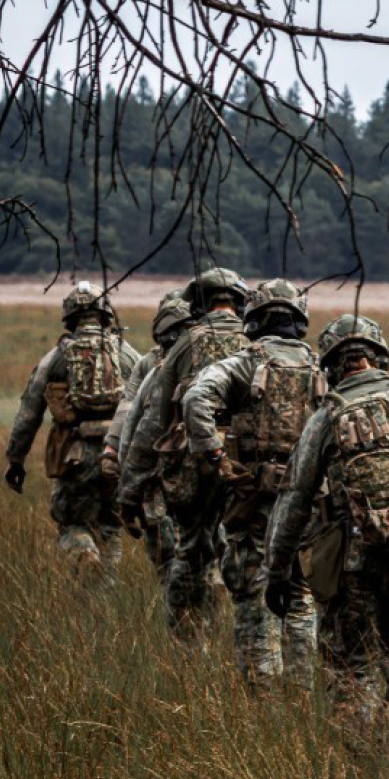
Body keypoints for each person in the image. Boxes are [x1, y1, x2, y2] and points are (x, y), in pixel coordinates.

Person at [265, 314, 389, 739]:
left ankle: (355, 743)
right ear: (378, 356)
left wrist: (278, 569)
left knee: (351, 659)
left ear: (332, 366)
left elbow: (294, 499)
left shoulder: (325, 416)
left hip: (353, 561)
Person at [181, 279, 324, 683]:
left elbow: (195, 400)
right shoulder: (321, 367)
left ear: (255, 320)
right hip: (310, 504)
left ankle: (263, 694)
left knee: (253, 593)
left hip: (255, 500)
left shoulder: (244, 362)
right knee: (301, 595)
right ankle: (300, 690)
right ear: (299, 320)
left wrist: (216, 458)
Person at [115, 267, 252, 636]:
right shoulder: (256, 344)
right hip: (242, 468)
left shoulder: (183, 346)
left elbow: (151, 422)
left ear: (200, 304)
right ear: (240, 302)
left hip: (191, 466)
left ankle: (186, 642)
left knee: (190, 549)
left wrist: (129, 492)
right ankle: (238, 629)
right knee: (243, 546)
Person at [3, 281, 141, 578]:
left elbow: (29, 412)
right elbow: (149, 399)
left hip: (75, 455)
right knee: (110, 527)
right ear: (105, 314)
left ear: (69, 317)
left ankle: (82, 554)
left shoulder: (56, 358)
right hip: (116, 454)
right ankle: (105, 592)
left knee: (72, 523)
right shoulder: (126, 353)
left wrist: (16, 459)